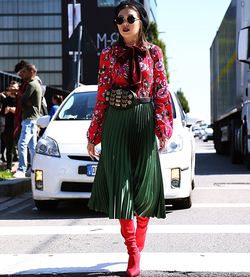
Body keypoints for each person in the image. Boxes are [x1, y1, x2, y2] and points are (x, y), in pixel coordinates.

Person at [86, 1, 173, 276]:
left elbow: (161, 91)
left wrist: (163, 128)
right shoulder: (108, 55)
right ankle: (132, 251)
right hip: (116, 123)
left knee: (145, 190)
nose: (124, 22)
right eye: (119, 19)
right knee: (122, 189)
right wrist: (94, 134)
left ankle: (140, 240)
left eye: (130, 18)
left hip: (144, 121)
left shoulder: (154, 53)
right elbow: (101, 96)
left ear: (140, 22)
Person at [14, 64, 42, 178]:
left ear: (31, 72)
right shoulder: (37, 84)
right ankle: (33, 169)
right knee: (32, 146)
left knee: (22, 144)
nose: (23, 74)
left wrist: (24, 100)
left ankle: (21, 169)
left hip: (29, 118)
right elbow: (26, 101)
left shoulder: (31, 84)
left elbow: (23, 100)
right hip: (32, 118)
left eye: (25, 72)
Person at [0, 81, 18, 171]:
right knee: (9, 148)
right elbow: (3, 112)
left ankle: (25, 166)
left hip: (18, 126)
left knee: (22, 147)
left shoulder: (19, 98)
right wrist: (7, 110)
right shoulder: (6, 99)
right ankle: (8, 167)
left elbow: (19, 111)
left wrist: (11, 109)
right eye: (11, 87)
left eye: (14, 87)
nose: (12, 89)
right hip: (8, 126)